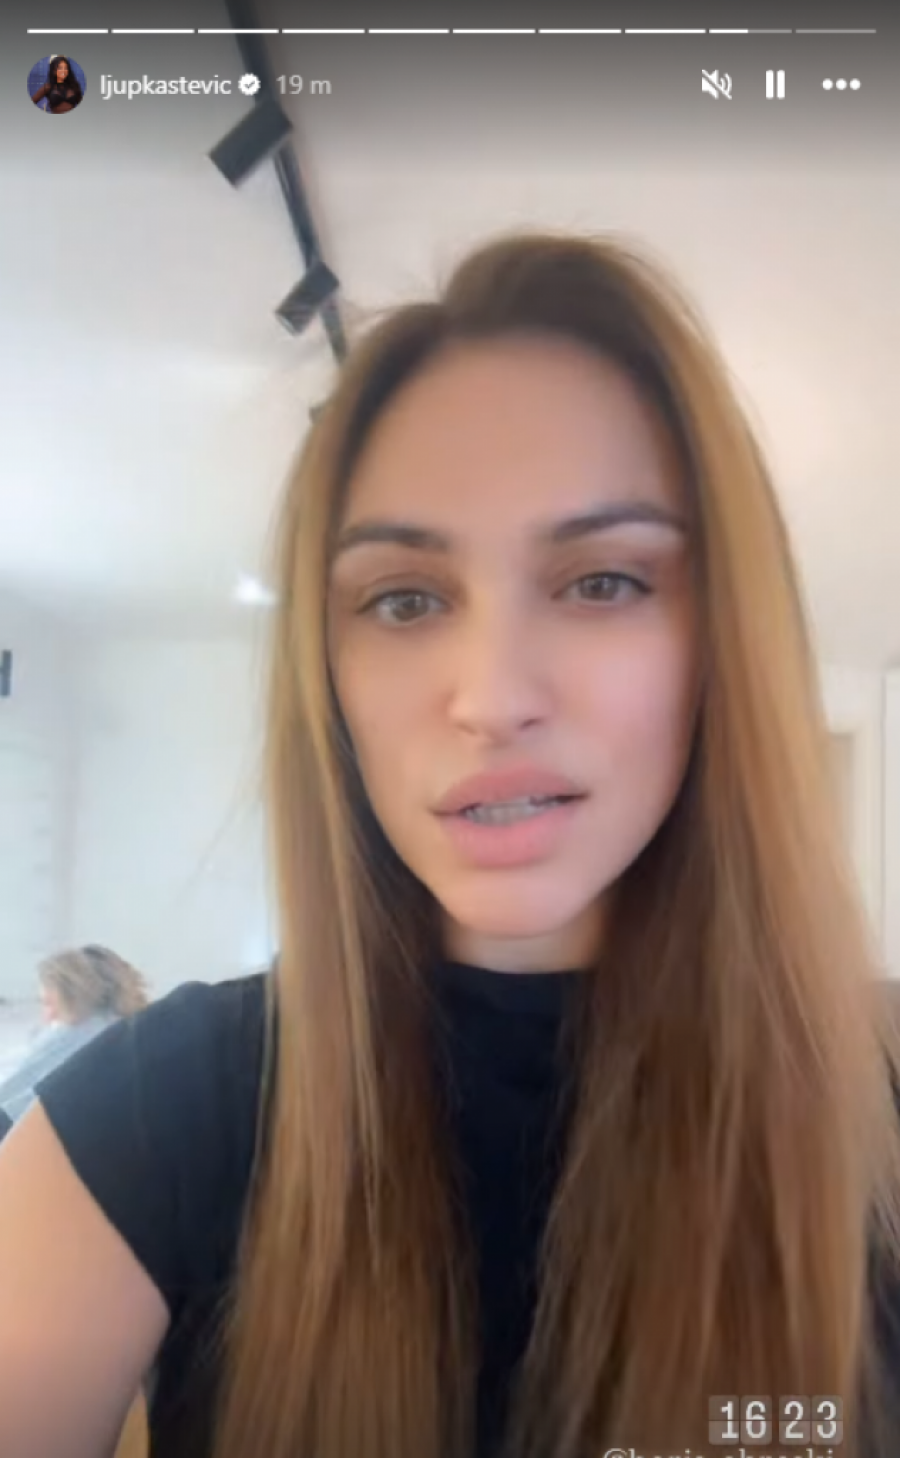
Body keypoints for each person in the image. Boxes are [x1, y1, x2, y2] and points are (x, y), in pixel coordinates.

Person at [1, 232, 900, 1458]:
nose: (491, 700)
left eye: (602, 581)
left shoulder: (876, 1103)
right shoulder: (154, 1114)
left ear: (722, 645)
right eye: (406, 600)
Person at [0, 946, 149, 1125]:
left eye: (48, 1003)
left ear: (72, 999)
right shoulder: (135, 1034)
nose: (47, 1016)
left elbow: (13, 1104)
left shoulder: (72, 1036)